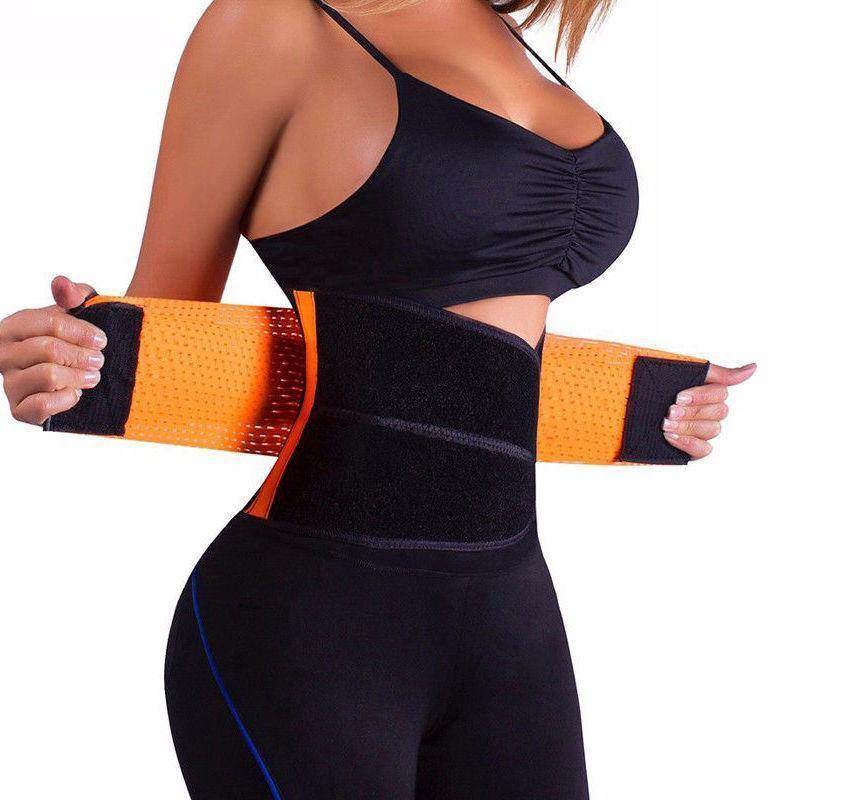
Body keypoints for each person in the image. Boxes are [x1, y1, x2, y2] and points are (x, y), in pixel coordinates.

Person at [0, 1, 754, 797]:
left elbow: (469, 368)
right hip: (315, 618)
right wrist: (68, 358)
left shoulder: (502, 32)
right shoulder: (270, 24)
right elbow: (167, 333)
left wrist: (642, 409)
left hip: (510, 610)